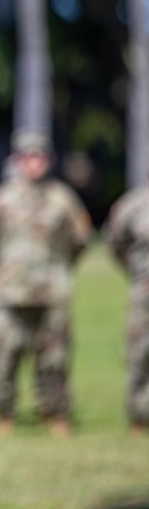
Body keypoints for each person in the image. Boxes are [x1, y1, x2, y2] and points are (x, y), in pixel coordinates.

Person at [0, 129, 91, 436]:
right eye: (28, 156)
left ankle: (55, 412)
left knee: (54, 358)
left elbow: (80, 241)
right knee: (3, 356)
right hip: (9, 292)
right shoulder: (1, 199)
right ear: (19, 160)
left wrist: (61, 270)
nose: (34, 162)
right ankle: (4, 414)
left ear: (48, 160)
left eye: (39, 156)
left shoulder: (62, 199)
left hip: (52, 292)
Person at [103, 175, 149, 435]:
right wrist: (136, 273)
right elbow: (115, 242)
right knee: (139, 353)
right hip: (144, 294)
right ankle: (140, 416)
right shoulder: (132, 205)